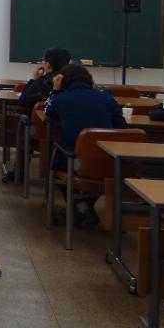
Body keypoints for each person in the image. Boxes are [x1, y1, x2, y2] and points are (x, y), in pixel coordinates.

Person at [46, 64, 126, 228]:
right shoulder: (106, 98)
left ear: (63, 81)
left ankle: (81, 207)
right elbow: (122, 127)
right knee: (93, 169)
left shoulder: (61, 99)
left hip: (76, 163)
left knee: (57, 158)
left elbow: (49, 113)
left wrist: (55, 90)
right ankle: (84, 208)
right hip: (109, 163)